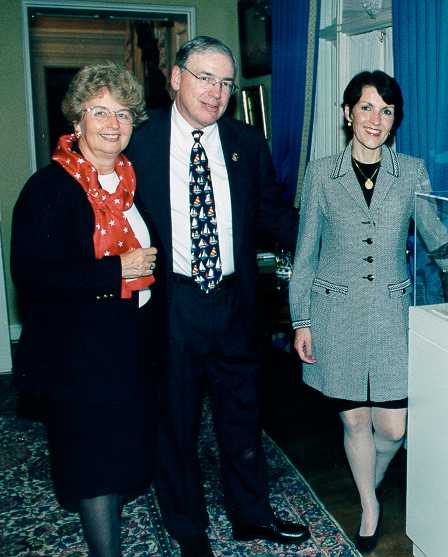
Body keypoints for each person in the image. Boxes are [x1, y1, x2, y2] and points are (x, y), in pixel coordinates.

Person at [125, 36, 308, 557]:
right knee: (175, 423)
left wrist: (325, 237)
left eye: (226, 82)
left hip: (234, 304)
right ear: (177, 78)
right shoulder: (140, 142)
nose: (217, 91)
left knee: (242, 418)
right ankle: (189, 530)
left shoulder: (246, 143)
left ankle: (252, 517)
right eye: (205, 77)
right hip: (172, 306)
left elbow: (271, 214)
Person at [289, 70, 448, 553]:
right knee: (355, 422)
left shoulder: (411, 172)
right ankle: (369, 504)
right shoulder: (321, 173)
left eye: (386, 110)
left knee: (394, 427)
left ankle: (368, 485)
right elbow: (306, 255)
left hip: (388, 315)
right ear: (347, 113)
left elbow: (434, 235)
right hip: (334, 314)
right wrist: (301, 320)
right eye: (366, 107)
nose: (375, 119)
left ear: (395, 119)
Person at [11, 62, 158, 557]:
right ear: (77, 121)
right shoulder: (50, 189)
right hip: (77, 353)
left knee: (117, 452)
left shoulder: (130, 183)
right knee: (94, 460)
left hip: (126, 344)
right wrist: (116, 271)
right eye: (100, 112)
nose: (113, 123)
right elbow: (35, 278)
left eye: (123, 113)